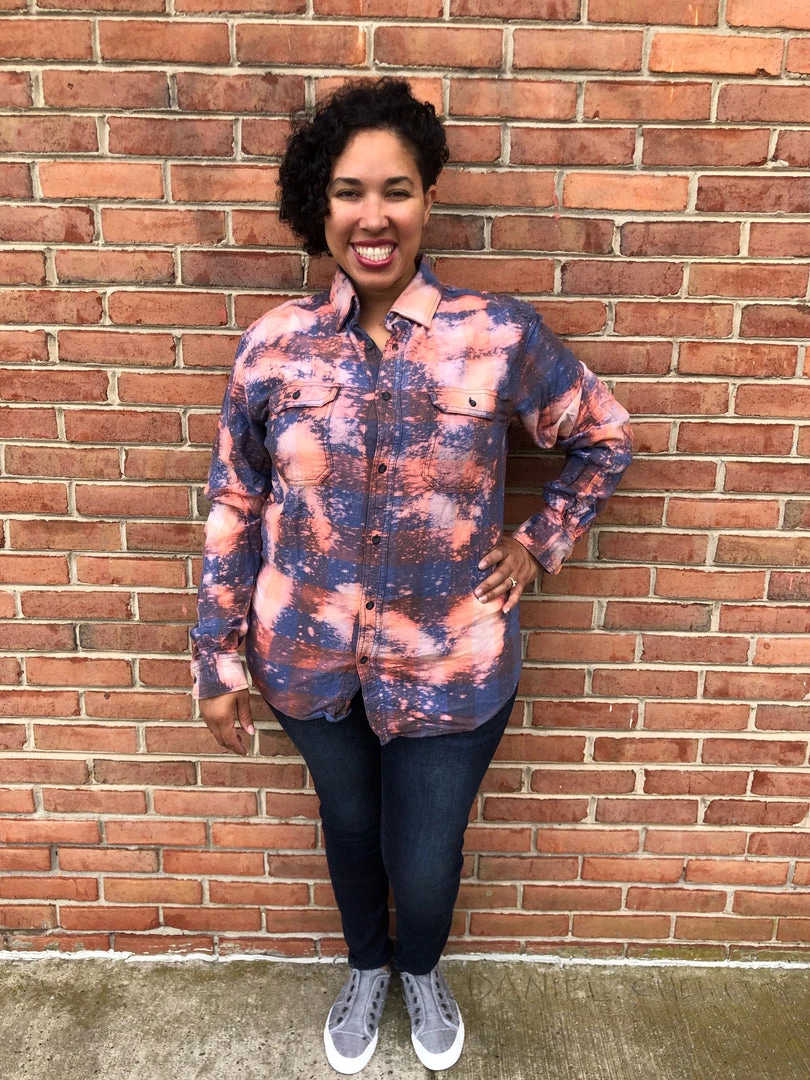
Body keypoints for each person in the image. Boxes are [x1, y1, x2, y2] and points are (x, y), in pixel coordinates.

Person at [190, 78, 632, 1075]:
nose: (373, 216)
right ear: (320, 205)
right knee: (350, 831)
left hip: (453, 666)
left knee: (424, 861)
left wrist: (538, 542)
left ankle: (419, 967)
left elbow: (604, 436)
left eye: (396, 190)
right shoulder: (273, 347)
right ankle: (366, 967)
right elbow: (235, 502)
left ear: (429, 198)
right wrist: (218, 659)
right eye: (349, 192)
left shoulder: (497, 334)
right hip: (308, 664)